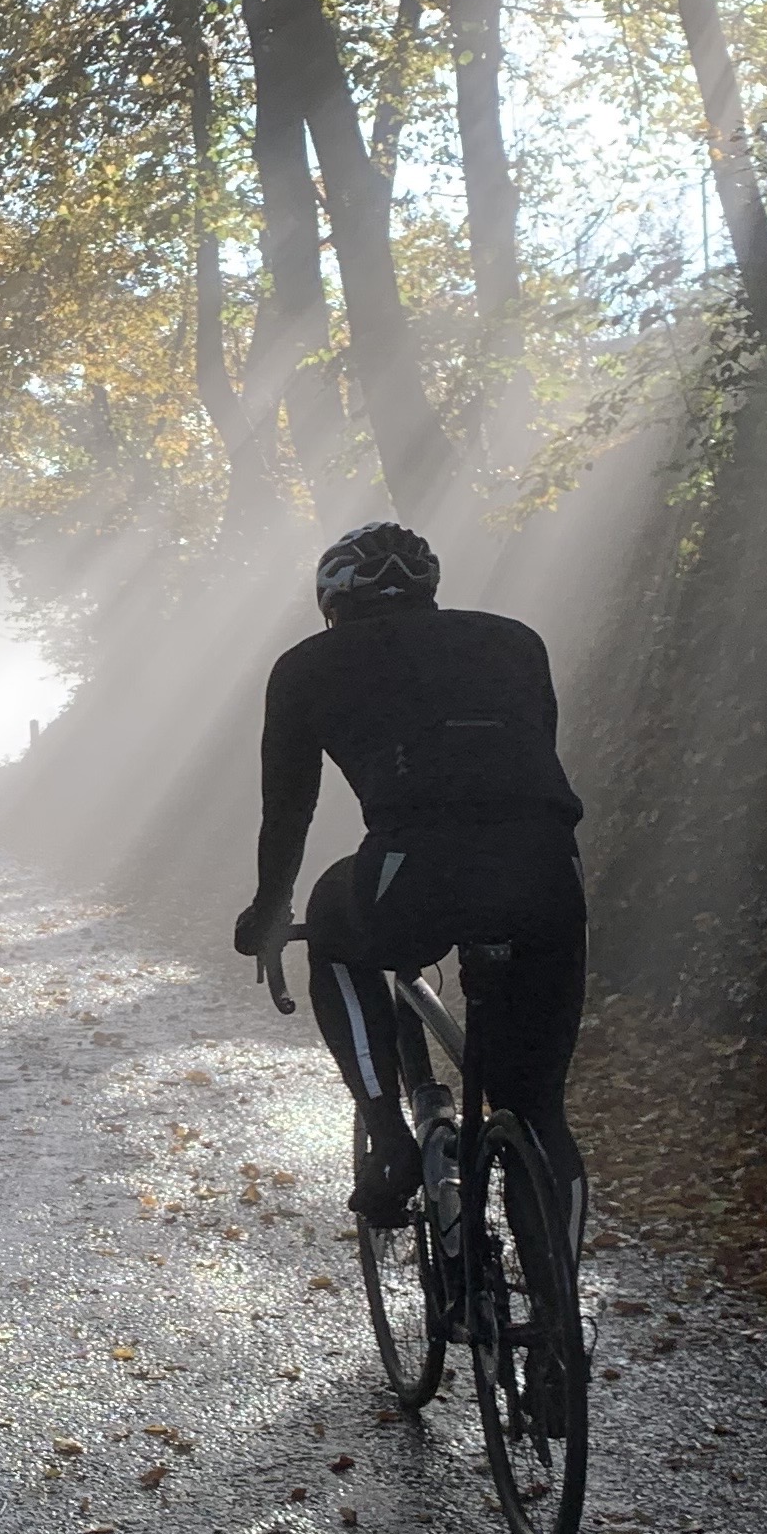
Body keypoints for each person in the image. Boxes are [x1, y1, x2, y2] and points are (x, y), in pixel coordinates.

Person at [230, 522, 588, 1235]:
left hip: (413, 871)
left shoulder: (306, 666)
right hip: (548, 868)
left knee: (333, 925)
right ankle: (559, 1326)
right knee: (539, 1109)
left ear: (332, 599)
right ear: (429, 589)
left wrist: (269, 911)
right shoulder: (515, 640)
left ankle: (387, 1137)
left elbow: (289, 811)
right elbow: (528, 758)